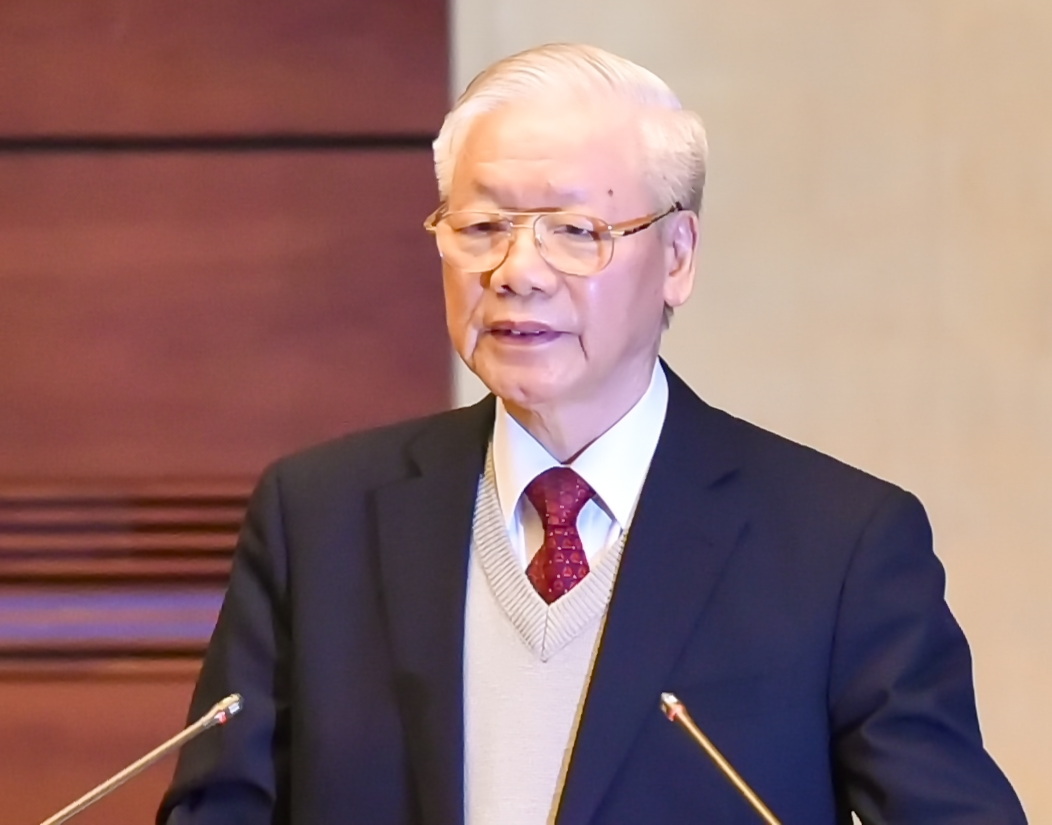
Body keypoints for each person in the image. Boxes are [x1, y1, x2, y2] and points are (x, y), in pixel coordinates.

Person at [158, 43, 1026, 824]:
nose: (517, 272)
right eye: (482, 228)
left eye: (575, 232)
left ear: (678, 256)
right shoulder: (321, 519)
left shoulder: (837, 544)